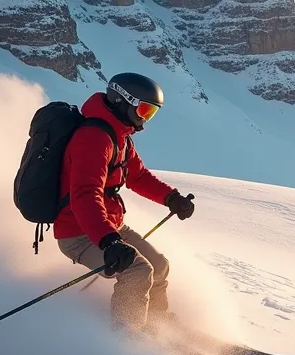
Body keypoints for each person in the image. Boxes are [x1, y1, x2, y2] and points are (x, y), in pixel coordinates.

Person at [52, 72, 196, 333]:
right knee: (137, 272)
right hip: (80, 233)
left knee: (159, 266)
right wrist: (109, 243)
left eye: (151, 113)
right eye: (143, 110)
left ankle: (156, 324)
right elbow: (85, 194)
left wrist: (171, 198)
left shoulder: (119, 136)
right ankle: (128, 340)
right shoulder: (93, 139)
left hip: (109, 227)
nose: (144, 119)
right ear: (122, 101)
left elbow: (138, 176)